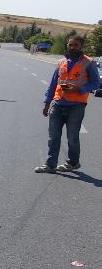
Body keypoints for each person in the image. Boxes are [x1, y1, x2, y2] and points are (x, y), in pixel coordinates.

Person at [34, 35, 100, 173]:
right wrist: (47, 102)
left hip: (76, 106)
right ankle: (50, 165)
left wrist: (81, 89)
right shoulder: (62, 62)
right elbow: (53, 84)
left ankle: (72, 163)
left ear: (81, 46)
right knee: (53, 137)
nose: (72, 47)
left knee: (72, 138)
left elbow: (96, 82)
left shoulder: (89, 62)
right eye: (70, 45)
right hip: (58, 104)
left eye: (75, 45)